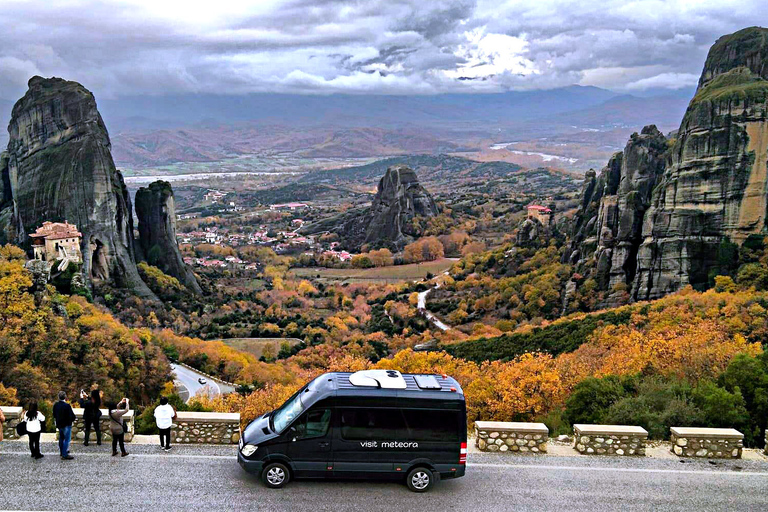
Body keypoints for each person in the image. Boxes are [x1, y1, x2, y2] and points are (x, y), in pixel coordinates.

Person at [52, 391, 76, 460]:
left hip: (59, 424)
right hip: (66, 425)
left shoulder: (56, 405)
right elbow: (71, 416)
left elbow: (54, 414)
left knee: (61, 438)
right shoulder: (67, 406)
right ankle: (64, 454)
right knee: (67, 439)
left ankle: (61, 451)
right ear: (65, 397)